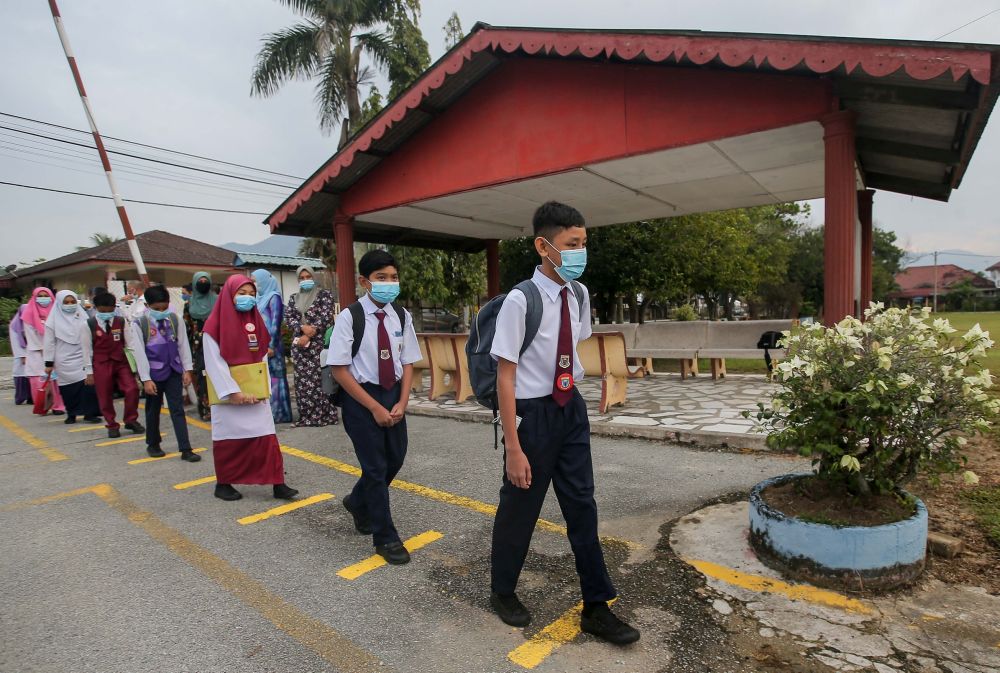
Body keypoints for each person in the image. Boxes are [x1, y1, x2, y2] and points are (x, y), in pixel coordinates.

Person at [488, 201, 639, 645]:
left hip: (568, 409)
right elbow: (505, 374)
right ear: (543, 246)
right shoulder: (520, 300)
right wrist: (514, 447)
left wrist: (579, 398)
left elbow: (574, 349)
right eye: (572, 245)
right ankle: (502, 591)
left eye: (584, 244)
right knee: (520, 507)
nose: (580, 253)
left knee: (582, 508)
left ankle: (596, 606)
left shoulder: (579, 294)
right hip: (531, 415)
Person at [328, 250, 420, 565]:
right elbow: (339, 370)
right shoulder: (349, 317)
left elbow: (408, 362)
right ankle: (386, 538)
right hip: (360, 399)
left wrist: (402, 402)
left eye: (393, 277)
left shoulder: (401, 315)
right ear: (364, 281)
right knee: (376, 468)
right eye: (382, 278)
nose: (389, 283)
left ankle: (357, 501)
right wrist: (374, 408)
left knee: (394, 458)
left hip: (392, 395)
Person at [203, 274, 298, 502]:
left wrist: (262, 388)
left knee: (266, 439)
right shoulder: (213, 326)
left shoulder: (256, 320)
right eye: (242, 294)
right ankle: (223, 483)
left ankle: (278, 483)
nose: (248, 298)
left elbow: (261, 356)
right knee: (229, 441)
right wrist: (234, 393)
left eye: (252, 294)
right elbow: (214, 363)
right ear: (229, 295)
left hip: (255, 393)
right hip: (230, 399)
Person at [130, 284, 200, 462]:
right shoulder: (140, 324)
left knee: (177, 410)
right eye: (156, 308)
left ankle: (185, 448)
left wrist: (187, 370)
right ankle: (153, 444)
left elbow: (183, 345)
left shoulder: (175, 320)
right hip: (153, 374)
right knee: (153, 410)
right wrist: (145, 379)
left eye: (164, 307)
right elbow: (139, 353)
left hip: (173, 371)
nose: (161, 311)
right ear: (147, 306)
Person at [87, 291, 144, 438]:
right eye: (102, 311)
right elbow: (86, 349)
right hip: (101, 363)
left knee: (132, 389)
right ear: (96, 308)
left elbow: (130, 343)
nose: (107, 313)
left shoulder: (121, 321)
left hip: (121, 361)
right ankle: (111, 424)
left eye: (110, 310)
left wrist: (136, 366)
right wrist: (88, 372)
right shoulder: (89, 324)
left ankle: (131, 419)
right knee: (104, 395)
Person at [286, 265, 337, 427]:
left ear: (314, 277)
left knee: (320, 380)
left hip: (318, 346)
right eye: (302, 278)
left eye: (308, 277)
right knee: (302, 382)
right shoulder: (294, 298)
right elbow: (289, 317)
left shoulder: (324, 295)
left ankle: (324, 416)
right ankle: (306, 416)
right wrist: (301, 329)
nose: (305, 280)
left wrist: (309, 332)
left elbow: (326, 315)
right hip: (300, 348)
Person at [43, 290, 101, 424]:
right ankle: (71, 413)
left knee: (88, 386)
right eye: (66, 302)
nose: (70, 305)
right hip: (63, 359)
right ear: (59, 303)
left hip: (82, 356)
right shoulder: (52, 321)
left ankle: (90, 413)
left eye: (73, 302)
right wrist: (48, 363)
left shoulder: (83, 317)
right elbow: (49, 343)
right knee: (68, 389)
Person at [251, 268, 292, 423]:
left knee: (276, 377)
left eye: (255, 280)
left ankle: (281, 413)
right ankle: (269, 413)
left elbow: (275, 323)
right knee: (265, 377)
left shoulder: (274, 297)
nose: (254, 284)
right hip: (260, 345)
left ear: (263, 280)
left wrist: (271, 345)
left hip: (272, 345)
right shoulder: (257, 298)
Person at [22, 287, 66, 415]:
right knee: (39, 381)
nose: (43, 298)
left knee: (56, 381)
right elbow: (31, 336)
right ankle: (42, 406)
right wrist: (45, 352)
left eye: (45, 295)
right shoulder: (28, 314)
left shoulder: (57, 313)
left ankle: (58, 406)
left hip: (55, 351)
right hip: (37, 352)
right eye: (39, 296)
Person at [183, 271, 218, 420]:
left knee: (218, 374)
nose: (203, 284)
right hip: (198, 346)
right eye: (200, 282)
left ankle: (221, 406)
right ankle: (206, 409)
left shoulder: (218, 301)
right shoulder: (189, 304)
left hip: (217, 343)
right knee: (202, 376)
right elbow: (186, 328)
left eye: (206, 281)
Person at [9, 305, 32, 405]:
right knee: (21, 374)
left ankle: (31, 397)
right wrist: (22, 355)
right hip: (21, 354)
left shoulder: (30, 322)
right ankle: (20, 397)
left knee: (31, 376)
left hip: (32, 352)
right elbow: (15, 342)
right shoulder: (14, 325)